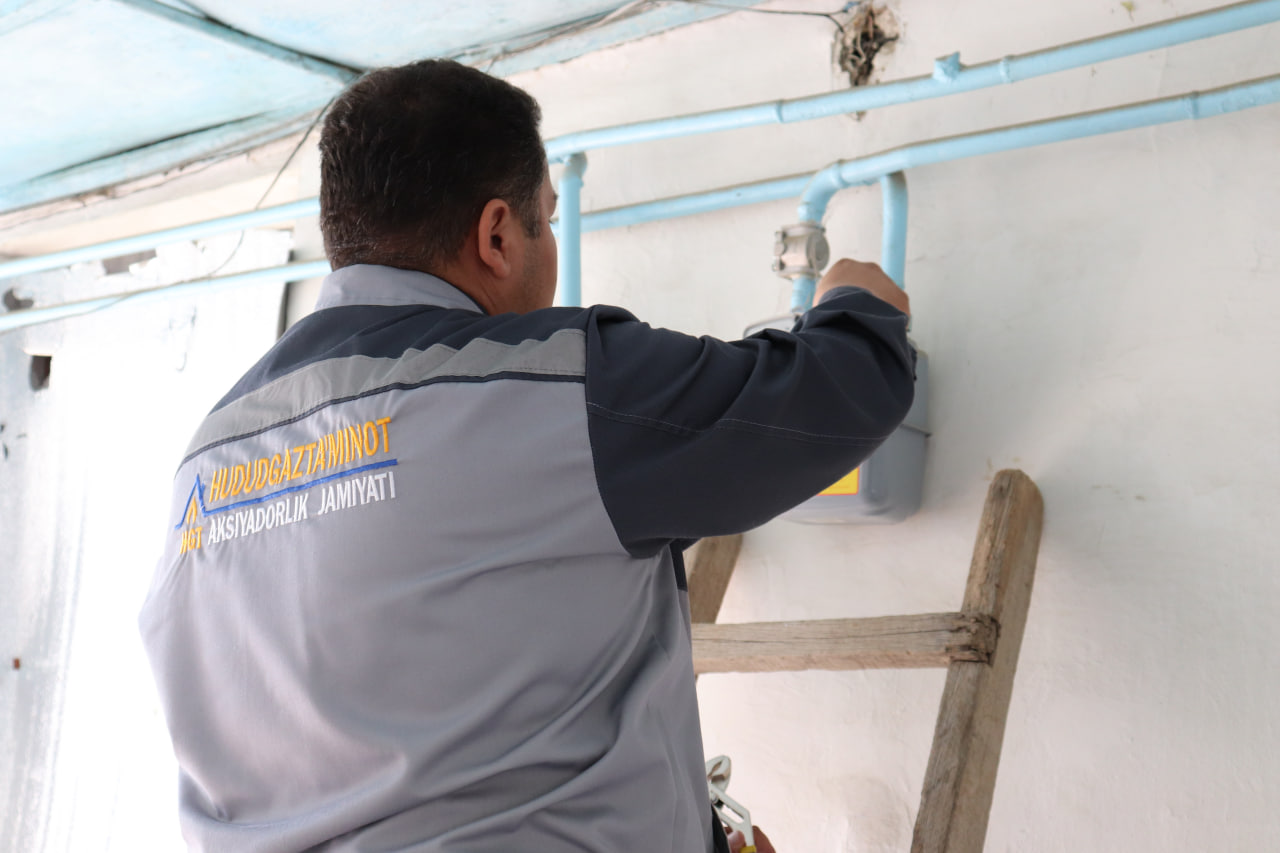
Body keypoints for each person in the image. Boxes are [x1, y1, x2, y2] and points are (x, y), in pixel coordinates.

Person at [139, 59, 914, 853]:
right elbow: (838, 393)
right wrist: (856, 304)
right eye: (547, 217)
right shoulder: (560, 387)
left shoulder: (211, 455)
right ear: (498, 235)